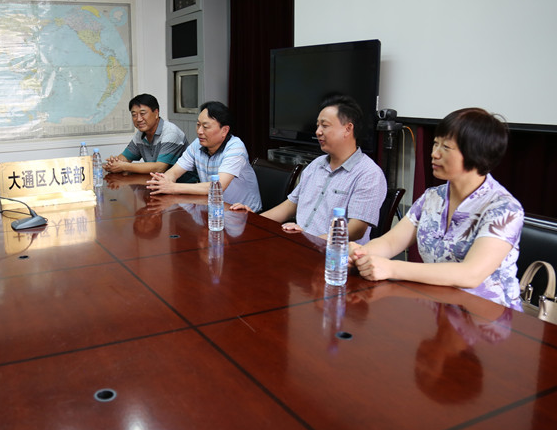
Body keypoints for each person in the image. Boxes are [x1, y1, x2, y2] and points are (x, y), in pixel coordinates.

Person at [349, 108, 524, 310]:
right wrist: (360, 254)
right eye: (435, 143)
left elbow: (471, 274)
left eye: (446, 147)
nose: (434, 153)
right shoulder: (433, 197)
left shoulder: (504, 208)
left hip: (488, 317)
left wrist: (392, 268)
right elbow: (390, 242)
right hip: (439, 307)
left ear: (477, 154)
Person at [232, 95, 386, 244]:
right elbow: (290, 206)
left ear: (348, 128)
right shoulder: (316, 164)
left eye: (325, 125)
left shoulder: (368, 173)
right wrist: (253, 221)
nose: (318, 131)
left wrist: (309, 240)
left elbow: (356, 229)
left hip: (335, 254)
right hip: (300, 244)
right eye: (318, 125)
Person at [146, 101, 262, 212]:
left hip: (244, 213)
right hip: (214, 210)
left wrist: (172, 187)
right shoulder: (197, 144)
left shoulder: (235, 148)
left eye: (205, 127)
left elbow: (218, 187)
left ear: (224, 130)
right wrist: (165, 180)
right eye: (198, 125)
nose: (199, 131)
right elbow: (174, 172)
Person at [103, 93, 196, 182]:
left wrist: (123, 166)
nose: (138, 119)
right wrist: (113, 164)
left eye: (143, 113)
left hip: (183, 185)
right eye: (134, 115)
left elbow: (160, 168)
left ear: (156, 113)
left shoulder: (171, 133)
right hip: (158, 182)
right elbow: (124, 157)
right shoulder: (140, 134)